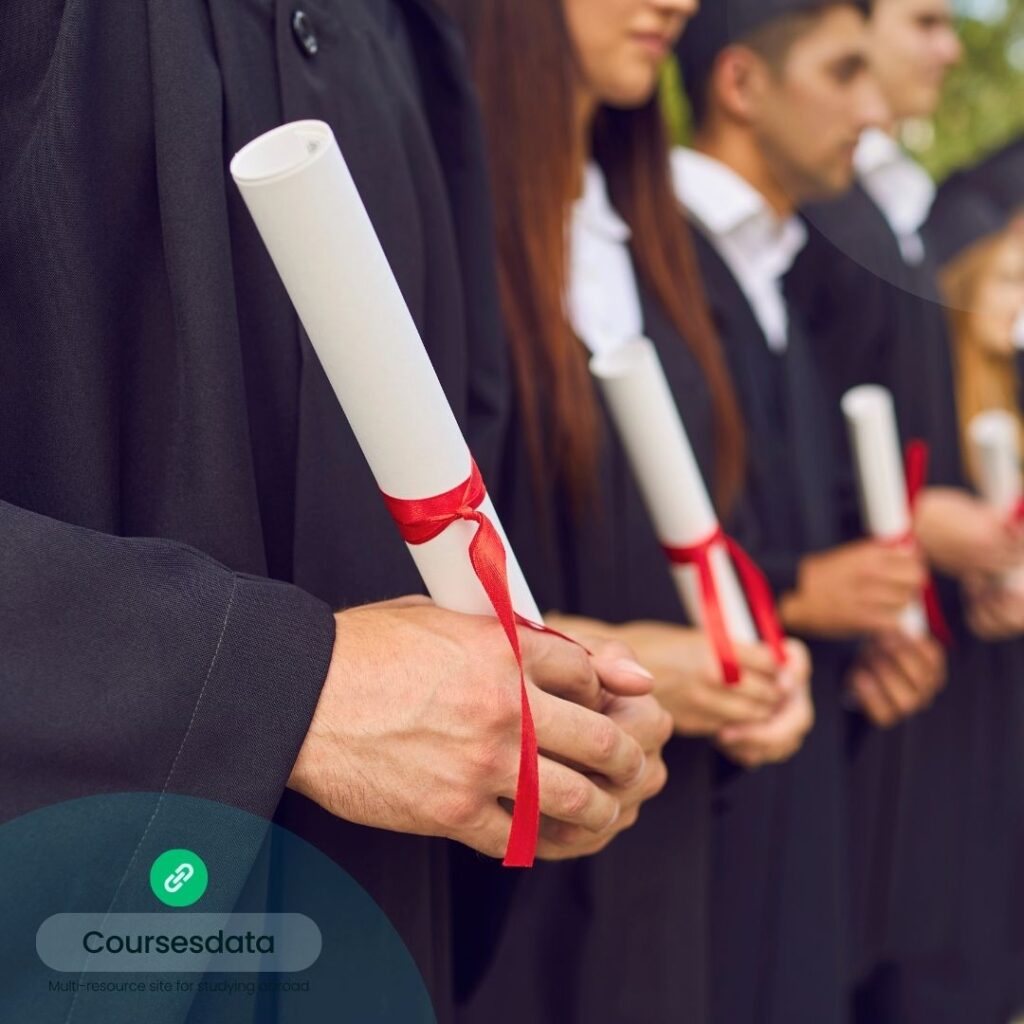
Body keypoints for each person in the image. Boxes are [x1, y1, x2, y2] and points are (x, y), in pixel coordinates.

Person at [0, 2, 673, 1020]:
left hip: (374, 928)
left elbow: (454, 455)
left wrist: (532, 689)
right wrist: (281, 682)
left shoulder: (406, 38)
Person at [443, 1, 813, 1021]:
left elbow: (709, 520)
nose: (676, 2)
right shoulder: (430, 221)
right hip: (493, 859)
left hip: (665, 826)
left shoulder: (650, 236)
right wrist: (615, 651)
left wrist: (753, 661)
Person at [675, 2, 947, 1020]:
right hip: (695, 797)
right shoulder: (655, 263)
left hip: (801, 750)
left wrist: (859, 613)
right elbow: (610, 532)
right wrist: (795, 588)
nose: (872, 114)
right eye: (843, 75)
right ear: (741, 85)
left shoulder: (773, 269)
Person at [788, 2, 1024, 1020]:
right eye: (923, 19)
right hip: (841, 676)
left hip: (934, 672)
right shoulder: (822, 219)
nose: (946, 44)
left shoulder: (900, 204)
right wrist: (914, 531)